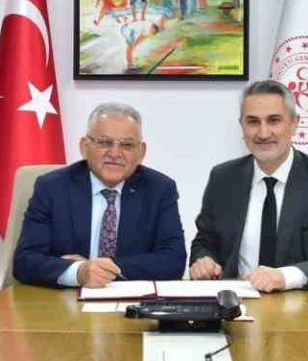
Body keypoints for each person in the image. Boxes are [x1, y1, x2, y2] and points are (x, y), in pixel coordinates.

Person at [189, 80, 308, 292]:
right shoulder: (223, 178)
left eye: (274, 121)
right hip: (235, 301)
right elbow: (204, 242)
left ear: (294, 123)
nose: (263, 133)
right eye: (253, 122)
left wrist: (285, 277)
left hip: (300, 304)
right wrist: (203, 260)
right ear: (242, 125)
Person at [13, 102, 185, 288]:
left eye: (127, 145)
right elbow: (25, 260)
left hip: (131, 298)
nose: (115, 153)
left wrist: (98, 269)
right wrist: (78, 272)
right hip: (63, 298)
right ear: (84, 147)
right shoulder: (52, 187)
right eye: (105, 142)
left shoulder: (160, 189)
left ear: (141, 152)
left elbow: (173, 260)